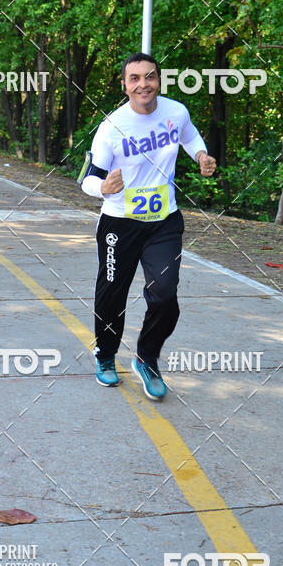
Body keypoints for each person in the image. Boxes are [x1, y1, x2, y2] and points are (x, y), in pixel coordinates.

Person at [80, 52, 216, 400]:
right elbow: (87, 180)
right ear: (125, 86)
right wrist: (103, 188)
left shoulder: (176, 112)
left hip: (163, 222)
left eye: (150, 77)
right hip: (119, 224)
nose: (144, 84)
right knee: (112, 296)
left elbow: (190, 137)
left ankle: (147, 357)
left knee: (165, 294)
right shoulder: (111, 128)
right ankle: (106, 356)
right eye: (135, 78)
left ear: (159, 80)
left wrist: (200, 156)